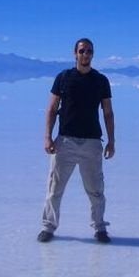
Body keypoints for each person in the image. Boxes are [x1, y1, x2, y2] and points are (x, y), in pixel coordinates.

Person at [38, 38, 116, 244]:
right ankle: (48, 227)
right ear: (75, 53)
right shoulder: (63, 78)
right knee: (55, 188)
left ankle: (100, 228)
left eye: (89, 51)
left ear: (93, 54)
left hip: (91, 143)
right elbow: (52, 109)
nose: (85, 54)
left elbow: (108, 113)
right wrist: (47, 136)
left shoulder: (101, 81)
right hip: (65, 142)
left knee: (96, 190)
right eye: (82, 51)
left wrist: (111, 141)